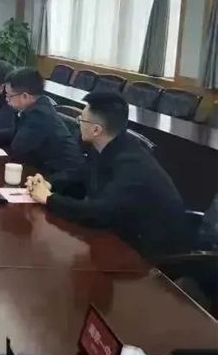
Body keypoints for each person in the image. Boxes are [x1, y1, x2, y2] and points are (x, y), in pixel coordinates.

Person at [28, 92, 189, 258]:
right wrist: (49, 183)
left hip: (150, 255)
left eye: (81, 120)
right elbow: (82, 173)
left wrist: (50, 199)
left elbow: (98, 212)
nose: (78, 123)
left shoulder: (132, 165)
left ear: (96, 130)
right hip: (122, 235)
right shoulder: (109, 144)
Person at [0, 68, 84, 184]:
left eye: (9, 96)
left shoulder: (39, 115)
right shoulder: (36, 107)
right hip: (43, 171)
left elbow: (17, 149)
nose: (6, 99)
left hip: (60, 179)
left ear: (25, 96)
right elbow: (16, 133)